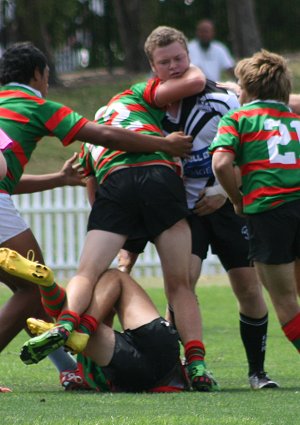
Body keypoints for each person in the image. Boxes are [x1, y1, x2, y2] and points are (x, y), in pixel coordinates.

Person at [16, 28, 221, 392]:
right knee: (179, 285)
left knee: (88, 272)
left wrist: (120, 226)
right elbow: (190, 83)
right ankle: (198, 364)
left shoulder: (95, 126)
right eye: (165, 63)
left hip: (115, 181)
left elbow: (91, 189)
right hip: (159, 175)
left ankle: (65, 324)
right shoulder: (139, 94)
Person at [118, 27, 278, 390]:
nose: (174, 66)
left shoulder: (224, 100)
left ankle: (258, 372)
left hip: (224, 205)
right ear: (151, 65)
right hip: (181, 210)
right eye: (164, 62)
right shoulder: (147, 107)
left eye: (179, 58)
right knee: (182, 283)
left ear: (189, 56)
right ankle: (181, 368)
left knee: (249, 288)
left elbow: (249, 153)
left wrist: (224, 189)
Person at [210, 49, 300, 364]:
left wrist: (237, 200)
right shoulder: (296, 118)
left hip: (269, 211)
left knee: (286, 302)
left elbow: (221, 163)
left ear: (246, 90)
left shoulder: (237, 118)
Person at [0, 250, 190, 392]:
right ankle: (56, 299)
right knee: (115, 277)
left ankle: (49, 287)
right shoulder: (80, 370)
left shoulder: (84, 371)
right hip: (162, 356)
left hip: (127, 367)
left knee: (77, 307)